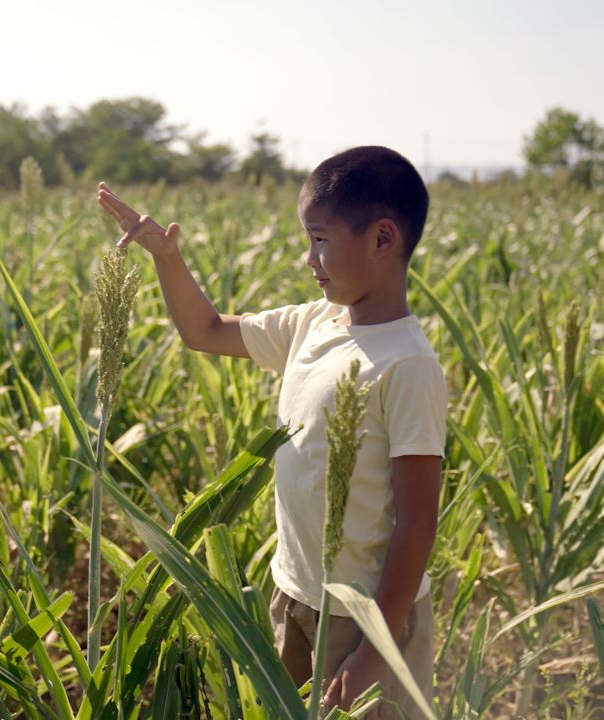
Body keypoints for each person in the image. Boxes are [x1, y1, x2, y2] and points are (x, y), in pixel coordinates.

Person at [96, 145, 447, 719]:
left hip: (364, 618)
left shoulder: (408, 364)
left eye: (320, 239)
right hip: (296, 591)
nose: (309, 258)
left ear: (383, 239)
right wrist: (166, 256)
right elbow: (206, 331)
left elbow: (417, 522)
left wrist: (376, 653)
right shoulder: (315, 322)